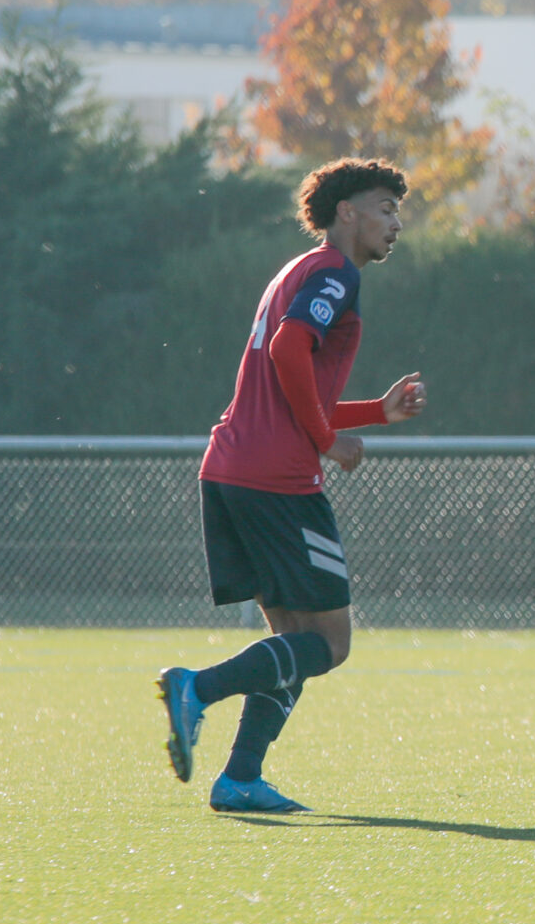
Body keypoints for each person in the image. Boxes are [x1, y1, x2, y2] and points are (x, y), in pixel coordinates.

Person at [156, 158, 426, 815]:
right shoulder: (335, 272)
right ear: (346, 213)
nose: (395, 224)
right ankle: (200, 688)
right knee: (329, 643)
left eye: (398, 212)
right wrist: (330, 442)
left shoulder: (296, 270)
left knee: (293, 644)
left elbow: (288, 382)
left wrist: (370, 415)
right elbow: (288, 349)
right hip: (279, 479)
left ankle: (241, 778)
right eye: (384, 209)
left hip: (233, 467)